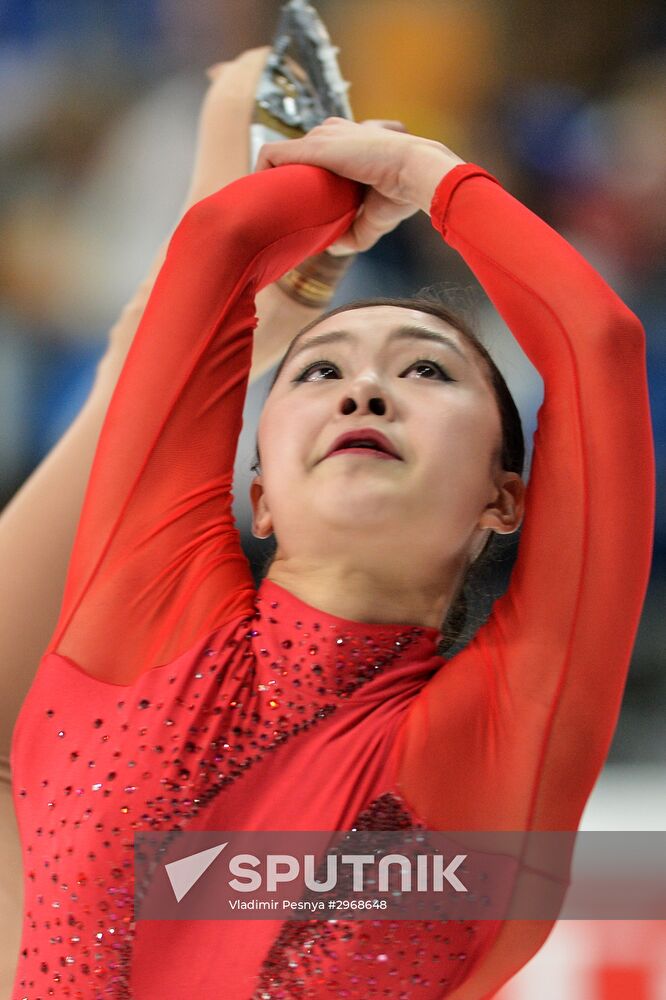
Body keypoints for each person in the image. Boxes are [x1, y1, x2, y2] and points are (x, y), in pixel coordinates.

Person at [7, 70, 654, 1000]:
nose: (365, 391)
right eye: (318, 373)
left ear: (504, 499)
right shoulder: (159, 609)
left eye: (427, 370)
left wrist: (423, 172)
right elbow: (223, 240)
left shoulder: (501, 736)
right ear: (258, 492)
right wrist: (327, 177)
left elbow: (598, 340)